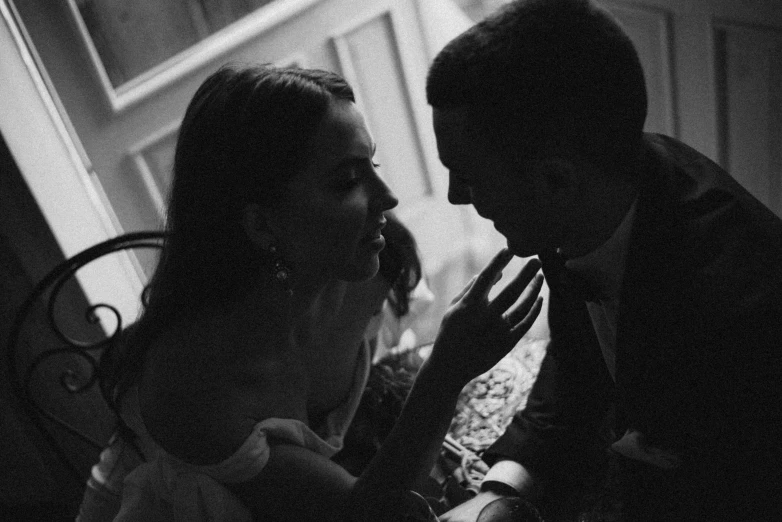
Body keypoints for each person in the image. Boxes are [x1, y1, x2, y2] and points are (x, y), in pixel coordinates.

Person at [93, 64, 543, 522]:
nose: (387, 197)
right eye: (347, 181)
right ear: (262, 223)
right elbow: (362, 515)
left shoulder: (376, 263)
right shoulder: (190, 382)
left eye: (374, 164)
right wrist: (447, 370)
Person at [425, 1, 782, 520]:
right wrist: (503, 491)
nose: (457, 197)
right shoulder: (594, 190)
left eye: (471, 177)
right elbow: (580, 358)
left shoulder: (742, 309)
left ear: (557, 180)